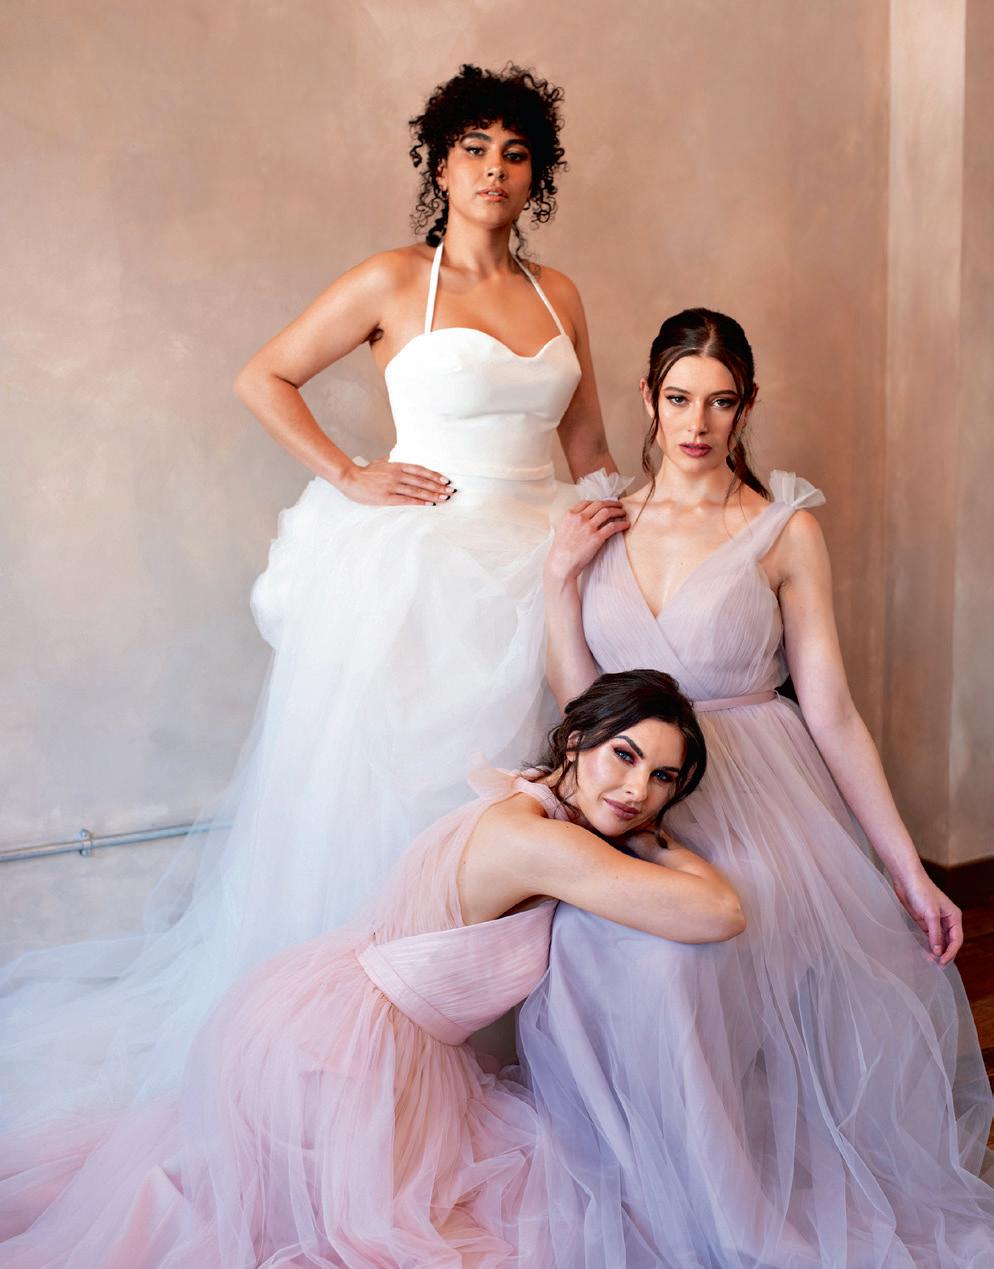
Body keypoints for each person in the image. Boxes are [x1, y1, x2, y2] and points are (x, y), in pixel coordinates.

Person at [0, 64, 621, 1128]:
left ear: (537, 177)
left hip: (541, 564)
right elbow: (264, 375)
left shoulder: (558, 293)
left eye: (516, 154)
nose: (494, 169)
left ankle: (516, 1045)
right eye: (474, 149)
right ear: (440, 165)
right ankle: (378, 1055)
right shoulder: (392, 279)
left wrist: (630, 539)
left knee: (539, 795)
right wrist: (349, 472)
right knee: (425, 801)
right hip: (432, 572)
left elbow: (588, 443)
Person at [0, 671, 745, 1266]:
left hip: (330, 1017)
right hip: (339, 1059)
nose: (638, 790)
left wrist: (633, 822)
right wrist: (658, 842)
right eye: (625, 756)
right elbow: (720, 912)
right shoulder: (544, 843)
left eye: (663, 777)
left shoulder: (528, 795)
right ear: (578, 741)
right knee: (420, 1236)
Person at [532, 307, 994, 1266]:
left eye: (720, 402)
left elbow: (833, 713)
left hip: (757, 791)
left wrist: (908, 870)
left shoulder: (784, 530)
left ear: (747, 406)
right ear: (649, 398)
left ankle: (736, 1212)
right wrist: (558, 584)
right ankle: (664, 1183)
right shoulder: (601, 520)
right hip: (636, 797)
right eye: (678, 399)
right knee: (588, 947)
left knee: (686, 962)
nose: (696, 424)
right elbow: (585, 708)